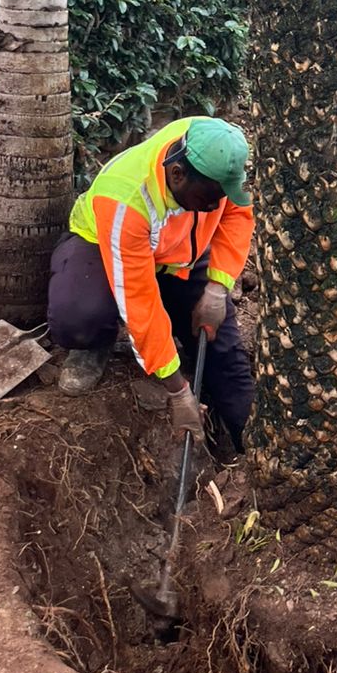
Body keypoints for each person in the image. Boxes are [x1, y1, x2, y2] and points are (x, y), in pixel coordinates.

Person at [47, 115, 255, 450]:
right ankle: (95, 343)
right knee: (80, 317)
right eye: (209, 200)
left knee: (223, 350)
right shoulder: (124, 198)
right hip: (104, 244)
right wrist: (178, 390)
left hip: (176, 254)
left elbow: (237, 214)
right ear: (177, 174)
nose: (216, 206)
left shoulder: (218, 152)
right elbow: (140, 302)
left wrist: (217, 288)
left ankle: (246, 446)